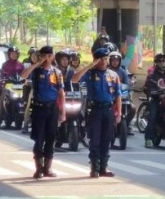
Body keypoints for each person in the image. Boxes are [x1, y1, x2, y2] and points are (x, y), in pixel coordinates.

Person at [71, 48, 122, 177]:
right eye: (102, 59)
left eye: (106, 59)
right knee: (95, 139)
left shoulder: (113, 75)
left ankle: (103, 168)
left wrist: (119, 113)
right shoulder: (90, 74)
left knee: (107, 139)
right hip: (95, 110)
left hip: (108, 110)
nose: (105, 62)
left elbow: (118, 96)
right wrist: (89, 66)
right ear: (96, 60)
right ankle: (94, 168)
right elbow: (74, 80)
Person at [20, 45, 65, 179]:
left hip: (52, 109)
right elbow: (23, 75)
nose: (46, 59)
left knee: (51, 138)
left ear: (52, 56)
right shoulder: (36, 71)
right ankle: (38, 168)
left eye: (49, 56)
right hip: (39, 108)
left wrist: (63, 112)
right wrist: (37, 63)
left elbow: (61, 93)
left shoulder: (57, 73)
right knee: (38, 139)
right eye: (44, 56)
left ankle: (47, 168)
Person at [144, 53, 165, 148]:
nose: (161, 63)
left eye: (163, 61)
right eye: (159, 61)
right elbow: (147, 87)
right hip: (156, 99)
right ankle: (148, 139)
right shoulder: (152, 75)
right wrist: (155, 93)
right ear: (156, 63)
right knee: (153, 116)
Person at [107, 51, 135, 136]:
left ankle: (127, 125)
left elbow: (127, 83)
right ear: (110, 61)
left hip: (122, 96)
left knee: (133, 108)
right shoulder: (106, 71)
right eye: (113, 60)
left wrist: (129, 87)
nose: (115, 62)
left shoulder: (122, 71)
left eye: (117, 60)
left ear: (119, 61)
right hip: (109, 97)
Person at [0, 46, 24, 130]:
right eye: (12, 54)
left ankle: (21, 119)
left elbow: (24, 75)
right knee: (1, 101)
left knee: (23, 101)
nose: (14, 55)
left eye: (15, 54)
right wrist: (2, 82)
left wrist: (24, 80)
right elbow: (2, 75)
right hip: (8, 86)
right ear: (9, 54)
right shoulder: (5, 64)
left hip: (19, 87)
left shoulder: (21, 65)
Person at [21, 47, 39, 134]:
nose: (34, 58)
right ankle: (25, 124)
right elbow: (24, 76)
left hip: (45, 90)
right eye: (33, 56)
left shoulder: (43, 66)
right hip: (34, 88)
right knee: (29, 105)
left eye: (36, 56)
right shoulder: (28, 65)